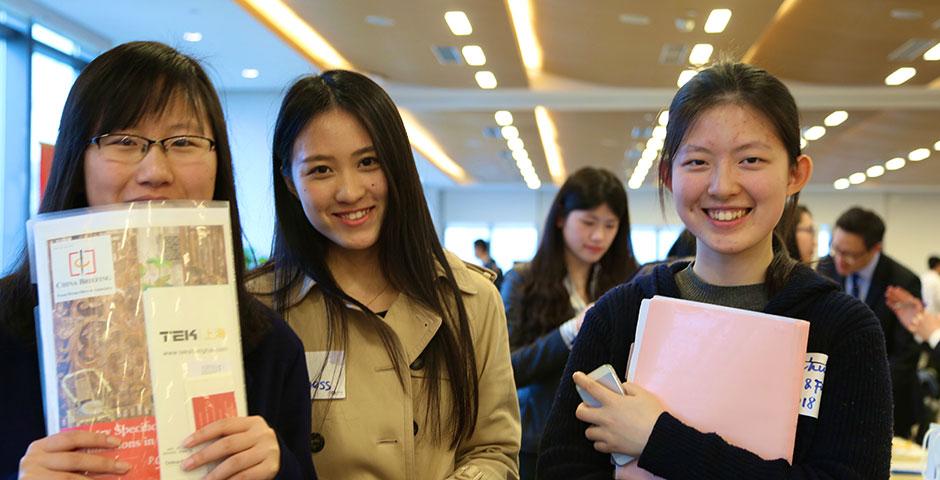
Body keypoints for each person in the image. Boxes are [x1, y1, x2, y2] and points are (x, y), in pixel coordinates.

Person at [538, 62, 892, 478]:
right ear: (668, 175)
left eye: (751, 160)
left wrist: (659, 440)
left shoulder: (843, 329)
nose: (722, 186)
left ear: (796, 173)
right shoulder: (620, 316)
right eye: (698, 162)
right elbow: (560, 468)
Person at [0, 42, 314, 479]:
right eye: (125, 141)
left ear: (218, 163)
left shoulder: (269, 345)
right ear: (77, 158)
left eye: (183, 142)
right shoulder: (5, 327)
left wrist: (280, 468)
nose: (155, 170)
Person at [247, 70, 520, 479]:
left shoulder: (471, 300)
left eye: (368, 162)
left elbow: (494, 450)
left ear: (397, 166)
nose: (351, 191)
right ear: (289, 181)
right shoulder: (257, 309)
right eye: (321, 170)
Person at [500, 166, 638, 479]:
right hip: (537, 440)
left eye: (610, 225)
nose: (598, 236)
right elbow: (508, 369)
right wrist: (570, 332)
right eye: (588, 222)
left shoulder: (622, 285)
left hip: (604, 442)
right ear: (562, 218)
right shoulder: (522, 281)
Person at [817, 206, 922, 438]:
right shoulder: (824, 268)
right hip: (830, 397)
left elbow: (906, 353)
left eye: (850, 254)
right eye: (836, 250)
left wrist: (868, 390)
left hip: (886, 398)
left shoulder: (902, 281)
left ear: (876, 248)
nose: (840, 261)